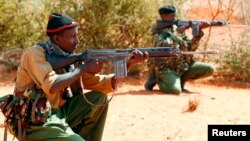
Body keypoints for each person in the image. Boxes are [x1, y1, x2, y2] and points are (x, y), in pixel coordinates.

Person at [0, 13, 148, 141]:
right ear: (57, 38)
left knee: (99, 98)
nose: (77, 41)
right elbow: (52, 85)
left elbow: (106, 84)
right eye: (72, 37)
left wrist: (128, 64)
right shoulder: (35, 54)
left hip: (57, 113)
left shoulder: (69, 58)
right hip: (33, 119)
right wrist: (84, 67)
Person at [144, 5, 215, 94]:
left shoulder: (176, 28)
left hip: (181, 66)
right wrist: (177, 33)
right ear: (164, 16)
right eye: (172, 15)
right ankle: (157, 79)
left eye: (175, 15)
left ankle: (180, 80)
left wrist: (198, 32)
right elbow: (163, 46)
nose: (175, 17)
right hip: (166, 68)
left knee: (209, 69)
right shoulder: (158, 31)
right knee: (175, 91)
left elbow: (190, 48)